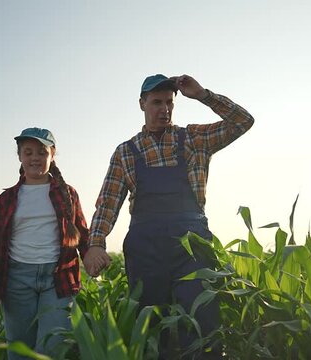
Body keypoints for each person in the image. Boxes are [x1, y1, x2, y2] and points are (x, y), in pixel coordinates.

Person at [84, 74, 255, 358]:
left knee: (203, 322)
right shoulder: (126, 152)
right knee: (150, 325)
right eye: (156, 102)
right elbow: (108, 202)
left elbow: (242, 121)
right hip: (146, 248)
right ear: (142, 104)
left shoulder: (195, 139)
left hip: (192, 246)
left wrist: (202, 95)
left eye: (169, 102)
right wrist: (95, 243)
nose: (164, 109)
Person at [0, 127, 90, 359]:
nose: (35, 158)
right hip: (17, 280)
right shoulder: (6, 199)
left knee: (53, 348)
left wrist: (93, 255)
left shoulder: (68, 194)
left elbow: (83, 235)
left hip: (58, 279)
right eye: (28, 153)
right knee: (20, 352)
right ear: (19, 156)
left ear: (52, 155)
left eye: (41, 152)